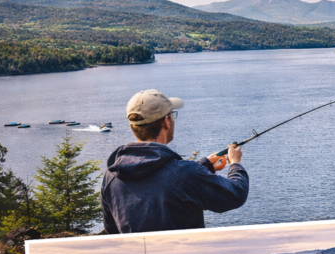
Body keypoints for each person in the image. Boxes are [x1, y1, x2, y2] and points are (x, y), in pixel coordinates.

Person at [100, 89, 249, 234]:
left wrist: (203, 164)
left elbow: (112, 229)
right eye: (172, 115)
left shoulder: (111, 176)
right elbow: (235, 195)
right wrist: (234, 163)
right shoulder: (186, 174)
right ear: (166, 121)